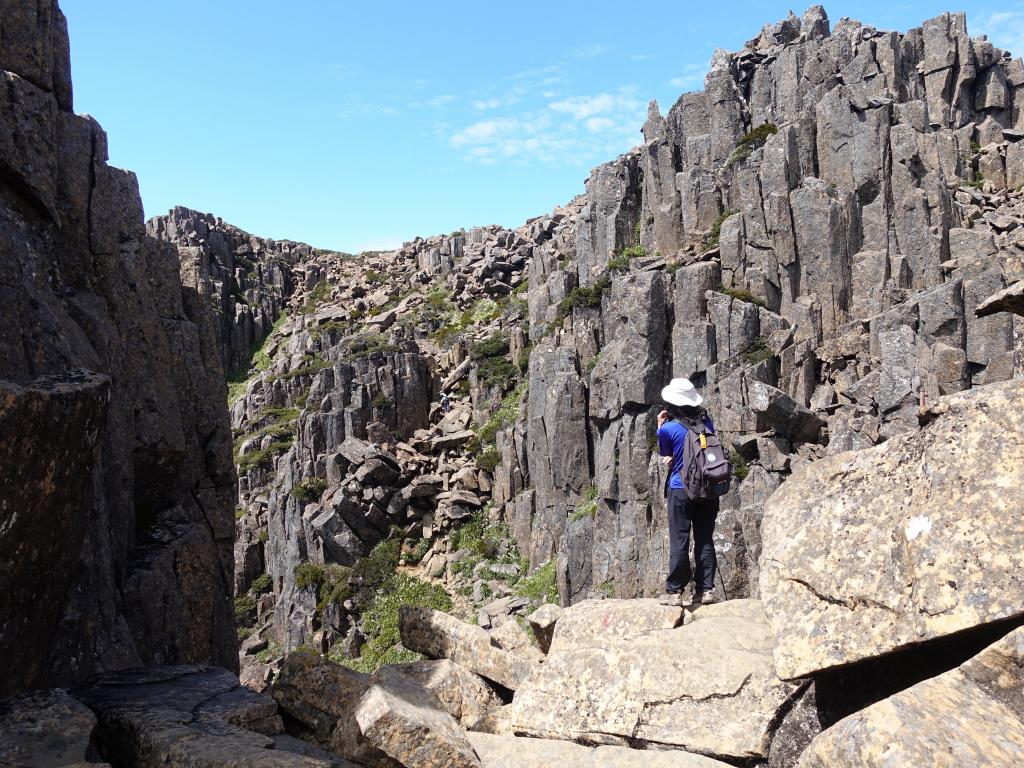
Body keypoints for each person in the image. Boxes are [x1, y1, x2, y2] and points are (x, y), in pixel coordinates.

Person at [656, 377, 719, 607]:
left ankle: (674, 592)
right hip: (708, 490)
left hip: (680, 489)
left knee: (680, 540)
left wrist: (659, 427)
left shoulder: (669, 429)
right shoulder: (707, 423)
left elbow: (666, 456)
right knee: (704, 539)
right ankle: (706, 590)